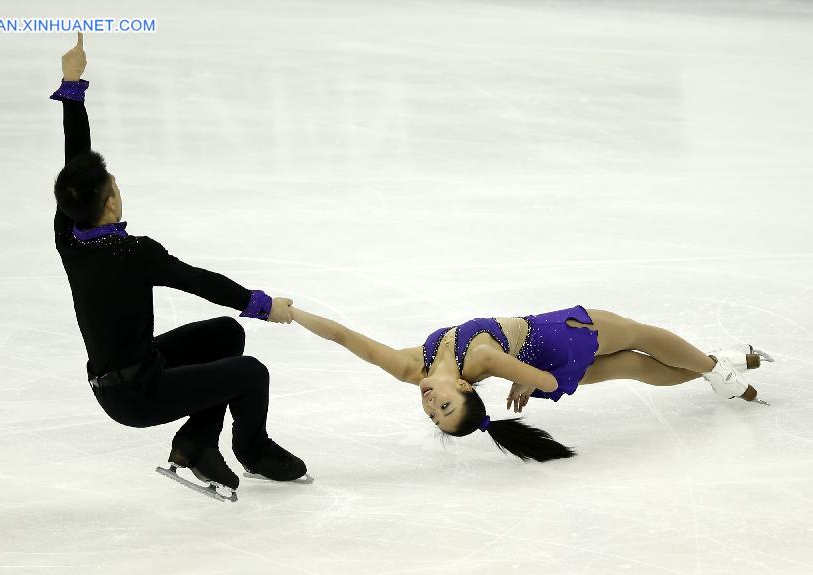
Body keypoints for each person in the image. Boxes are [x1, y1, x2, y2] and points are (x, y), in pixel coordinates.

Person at [49, 33, 308, 496]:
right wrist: (263, 305)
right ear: (109, 205)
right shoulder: (132, 253)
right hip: (136, 395)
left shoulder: (69, 234)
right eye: (115, 186)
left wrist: (73, 85)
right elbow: (196, 281)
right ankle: (253, 450)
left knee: (225, 335)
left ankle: (196, 443)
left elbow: (76, 162)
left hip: (128, 372)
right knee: (251, 374)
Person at [287, 304, 772, 461]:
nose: (431, 404)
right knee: (641, 342)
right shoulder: (479, 358)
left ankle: (719, 367)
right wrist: (525, 381)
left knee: (634, 365)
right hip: (558, 338)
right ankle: (716, 369)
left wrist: (289, 313)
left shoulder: (413, 366)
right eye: (446, 409)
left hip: (545, 357)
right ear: (467, 391)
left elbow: (347, 337)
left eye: (433, 412)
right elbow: (539, 376)